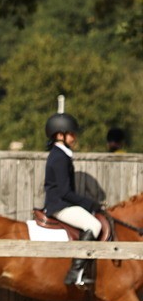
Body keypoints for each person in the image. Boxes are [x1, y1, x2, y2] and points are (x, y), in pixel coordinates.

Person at [43, 112, 101, 287]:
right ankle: (74, 273)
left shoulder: (60, 154)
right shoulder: (59, 157)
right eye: (71, 134)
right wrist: (90, 204)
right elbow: (65, 192)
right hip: (60, 205)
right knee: (94, 225)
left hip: (62, 203)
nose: (75, 138)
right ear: (60, 135)